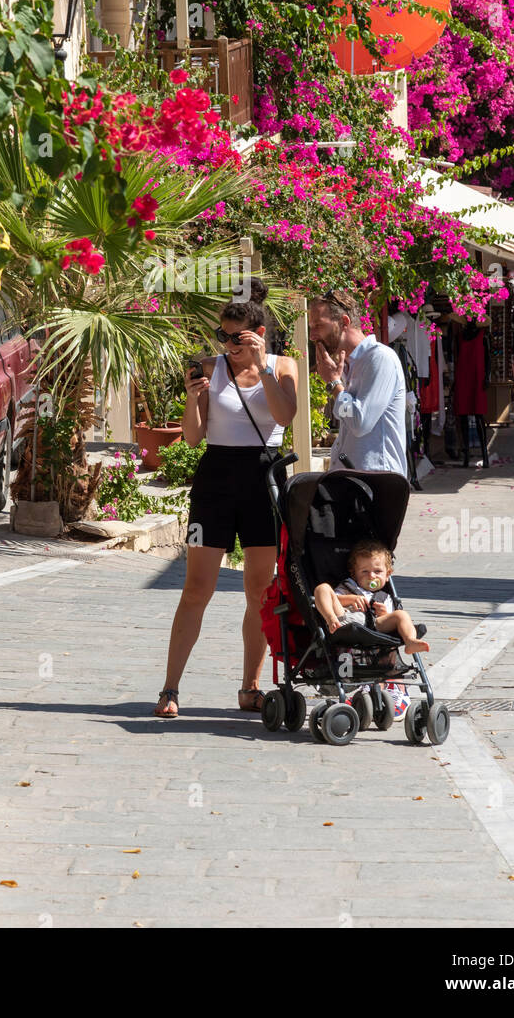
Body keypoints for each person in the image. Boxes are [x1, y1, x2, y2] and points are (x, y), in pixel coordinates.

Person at [154, 280, 298, 718]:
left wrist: (262, 364)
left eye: (239, 338)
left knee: (259, 590)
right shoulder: (207, 366)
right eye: (224, 335)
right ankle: (169, 689)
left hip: (262, 478)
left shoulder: (283, 365)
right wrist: (192, 400)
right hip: (216, 478)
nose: (229, 345)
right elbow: (195, 437)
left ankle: (250, 688)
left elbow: (284, 416)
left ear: (258, 333)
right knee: (197, 587)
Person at [308, 289, 408, 476]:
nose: (312, 336)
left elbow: (359, 423)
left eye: (318, 326)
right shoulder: (348, 365)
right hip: (354, 481)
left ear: (344, 322)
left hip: (378, 481)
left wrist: (334, 384)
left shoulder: (379, 358)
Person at [314, 539, 429, 657]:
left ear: (387, 575)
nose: (371, 576)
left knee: (401, 614)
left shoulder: (385, 597)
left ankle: (410, 641)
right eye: (364, 571)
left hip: (375, 624)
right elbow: (332, 599)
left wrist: (383, 614)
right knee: (322, 588)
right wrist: (350, 599)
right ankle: (330, 619)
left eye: (377, 571)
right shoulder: (349, 586)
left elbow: (391, 618)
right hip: (345, 619)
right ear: (354, 574)